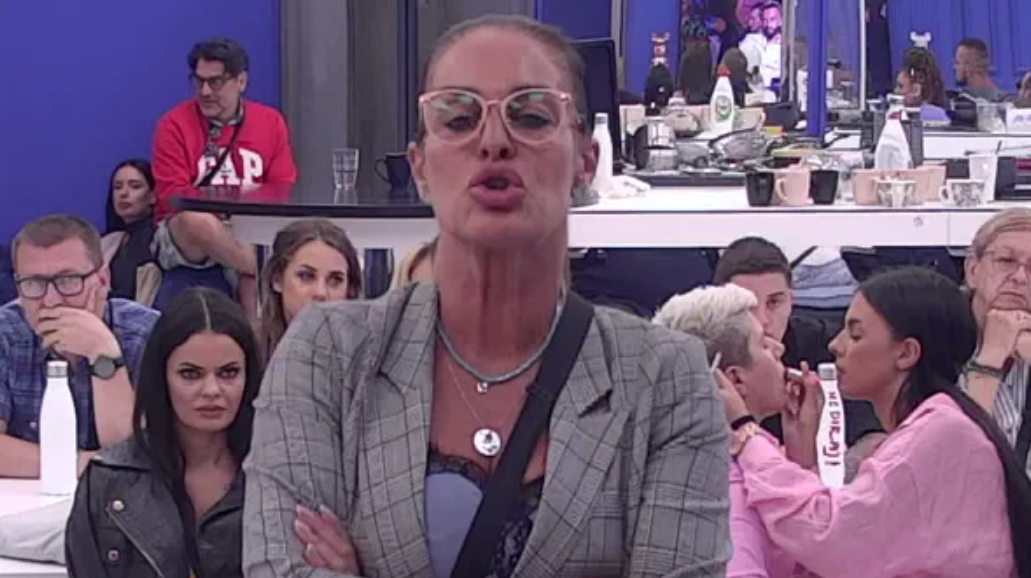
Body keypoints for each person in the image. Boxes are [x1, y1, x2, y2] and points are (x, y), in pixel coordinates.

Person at [243, 14, 730, 578]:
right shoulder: (328, 353)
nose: (494, 141)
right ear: (421, 166)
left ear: (586, 160)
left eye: (530, 116)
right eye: (458, 118)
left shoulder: (665, 379)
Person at [720, 266, 1031, 578]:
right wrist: (802, 454)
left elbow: (832, 539)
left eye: (856, 334)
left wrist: (748, 434)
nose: (835, 345)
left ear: (906, 353)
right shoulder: (935, 425)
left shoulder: (944, 432)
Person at [64, 288, 258, 576]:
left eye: (228, 373)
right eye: (190, 374)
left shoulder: (277, 477)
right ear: (162, 376)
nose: (212, 390)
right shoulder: (107, 480)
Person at [654, 284, 796, 578]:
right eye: (764, 344)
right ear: (735, 380)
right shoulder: (723, 492)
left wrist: (802, 453)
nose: (779, 349)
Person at [0, 215, 159, 478]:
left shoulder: (148, 333)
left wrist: (103, 353)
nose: (51, 301)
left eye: (68, 280)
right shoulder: (6, 333)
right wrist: (80, 463)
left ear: (103, 280)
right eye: (34, 283)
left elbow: (130, 458)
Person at [152, 38, 298, 316]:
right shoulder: (173, 125)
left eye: (216, 82)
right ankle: (267, 269)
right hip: (191, 236)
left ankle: (257, 337)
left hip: (250, 226)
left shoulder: (270, 122)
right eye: (199, 81)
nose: (205, 91)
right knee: (195, 220)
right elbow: (172, 197)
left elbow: (282, 188)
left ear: (241, 81)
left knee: (251, 277)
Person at [713, 237, 883, 447]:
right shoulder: (696, 354)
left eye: (774, 302)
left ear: (791, 301)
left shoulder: (831, 346)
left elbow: (873, 438)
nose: (763, 320)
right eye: (747, 305)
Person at [960, 209, 1031, 478]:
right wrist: (990, 358)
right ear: (973, 270)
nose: (1020, 277)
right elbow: (957, 451)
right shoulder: (934, 334)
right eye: (1005, 260)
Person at [257, 218, 362, 362]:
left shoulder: (369, 362)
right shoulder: (247, 355)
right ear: (277, 279)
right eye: (306, 276)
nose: (321, 293)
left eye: (335, 280)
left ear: (350, 289)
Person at [101, 159, 161, 305]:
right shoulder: (106, 242)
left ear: (153, 196)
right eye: (117, 187)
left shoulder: (161, 239)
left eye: (135, 186)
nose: (123, 193)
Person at [896, 47, 950, 122]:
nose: (896, 91)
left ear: (916, 89)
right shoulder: (899, 115)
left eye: (900, 86)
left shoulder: (935, 115)